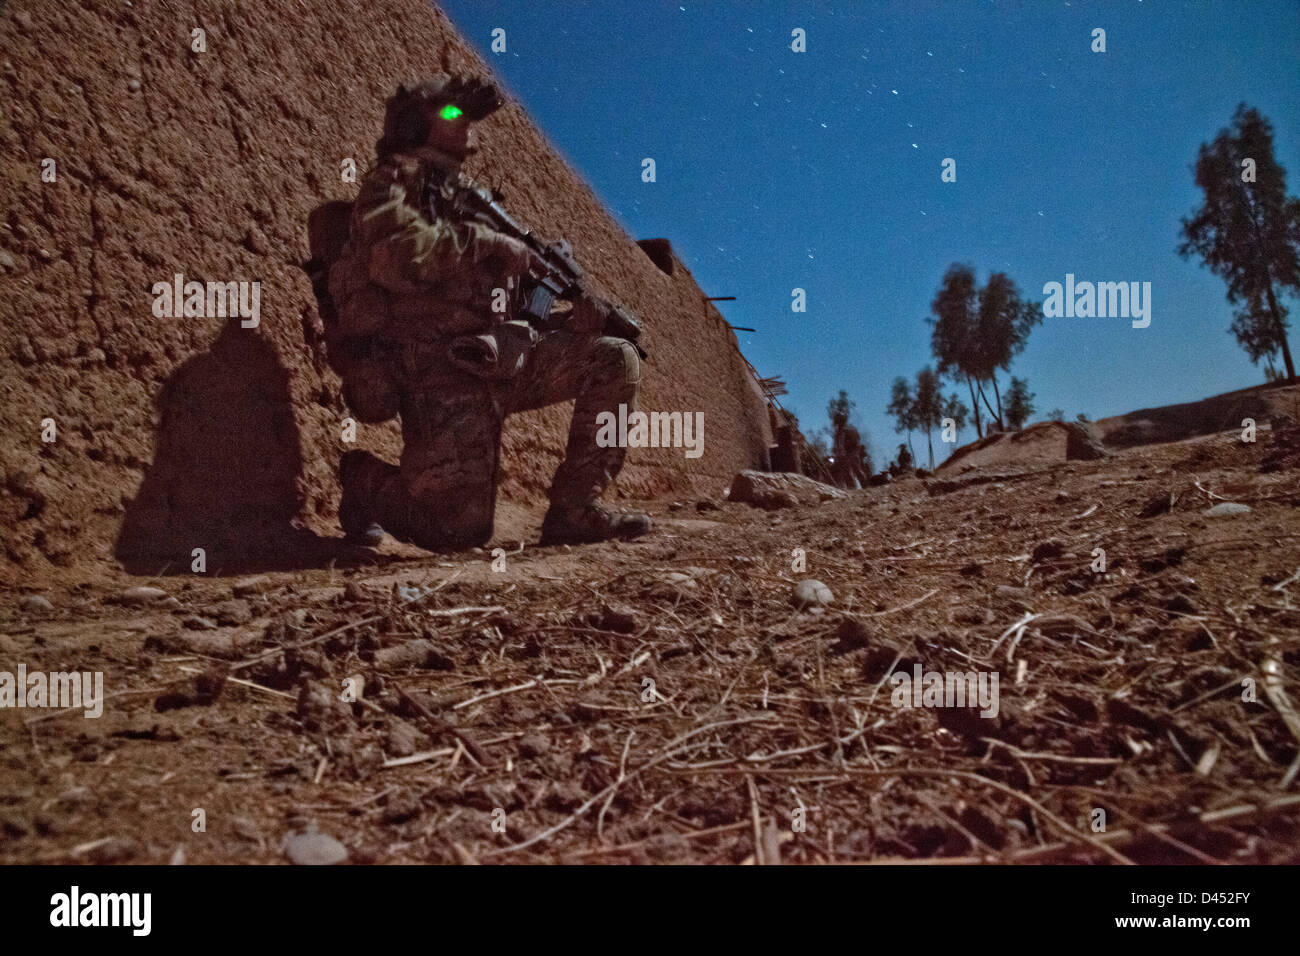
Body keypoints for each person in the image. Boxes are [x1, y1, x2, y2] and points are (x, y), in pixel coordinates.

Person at [322, 76, 651, 550]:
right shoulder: (394, 178)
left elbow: (495, 300)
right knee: (457, 531)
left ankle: (575, 511)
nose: (466, 124)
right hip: (435, 368)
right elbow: (394, 260)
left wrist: (556, 311)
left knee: (614, 358)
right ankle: (362, 481)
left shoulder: (467, 198)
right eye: (452, 115)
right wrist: (490, 243)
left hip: (497, 358)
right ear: (415, 125)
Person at [830, 410, 869, 489]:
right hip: (843, 456)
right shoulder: (838, 432)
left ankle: (865, 486)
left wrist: (852, 453)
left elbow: (857, 442)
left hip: (851, 454)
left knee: (856, 469)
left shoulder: (850, 430)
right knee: (846, 472)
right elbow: (837, 445)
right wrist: (836, 453)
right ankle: (852, 488)